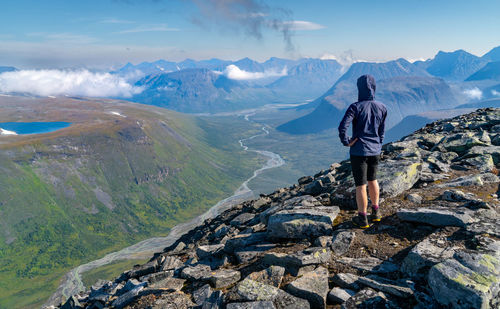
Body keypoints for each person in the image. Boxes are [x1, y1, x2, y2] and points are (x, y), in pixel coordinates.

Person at [338, 74, 387, 229]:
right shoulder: (382, 107)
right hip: (375, 150)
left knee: (361, 185)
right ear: (374, 87)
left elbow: (342, 127)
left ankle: (362, 218)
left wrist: (347, 141)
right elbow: (382, 131)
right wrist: (378, 144)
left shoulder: (355, 107)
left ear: (359, 88)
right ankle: (376, 212)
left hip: (359, 151)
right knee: (373, 180)